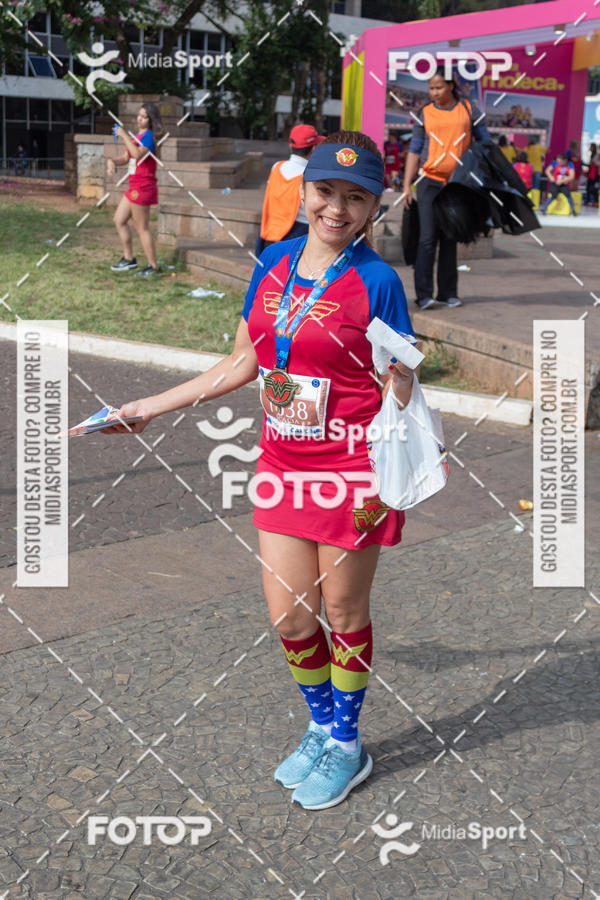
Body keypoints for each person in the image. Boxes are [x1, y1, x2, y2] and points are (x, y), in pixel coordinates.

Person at [103, 130, 416, 810]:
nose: (337, 209)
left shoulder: (378, 280)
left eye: (354, 198)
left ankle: (346, 744)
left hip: (356, 470)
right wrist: (152, 407)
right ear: (304, 191)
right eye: (326, 192)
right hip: (283, 465)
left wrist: (400, 382)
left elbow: (404, 380)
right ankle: (319, 724)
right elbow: (245, 362)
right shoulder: (272, 264)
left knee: (342, 609)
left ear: (372, 207)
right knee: (292, 620)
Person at [402, 66, 491, 310]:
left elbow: (486, 142)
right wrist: (406, 185)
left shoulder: (469, 109)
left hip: (457, 185)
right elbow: (415, 149)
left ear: (451, 85)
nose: (434, 92)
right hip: (429, 181)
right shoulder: (425, 113)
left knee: (450, 238)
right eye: (431, 88)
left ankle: (448, 293)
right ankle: (423, 295)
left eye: (439, 87)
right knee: (427, 239)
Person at [107, 102, 163, 276]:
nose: (140, 119)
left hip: (144, 186)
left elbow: (138, 154)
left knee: (142, 228)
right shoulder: (136, 137)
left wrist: (123, 135)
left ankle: (153, 267)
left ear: (151, 120)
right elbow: (126, 157)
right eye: (139, 115)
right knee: (119, 220)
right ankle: (129, 259)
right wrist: (112, 161)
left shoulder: (148, 137)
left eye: (144, 116)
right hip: (134, 187)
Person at [255, 124, 323, 257]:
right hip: (298, 236)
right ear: (314, 148)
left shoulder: (276, 167)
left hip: (269, 234)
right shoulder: (309, 176)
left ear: (290, 145)